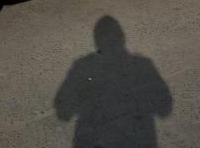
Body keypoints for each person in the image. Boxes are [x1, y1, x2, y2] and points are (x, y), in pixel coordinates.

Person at [55, 16, 172, 147]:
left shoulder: (82, 66)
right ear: (122, 38)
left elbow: (63, 112)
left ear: (97, 41)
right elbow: (165, 108)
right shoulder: (143, 66)